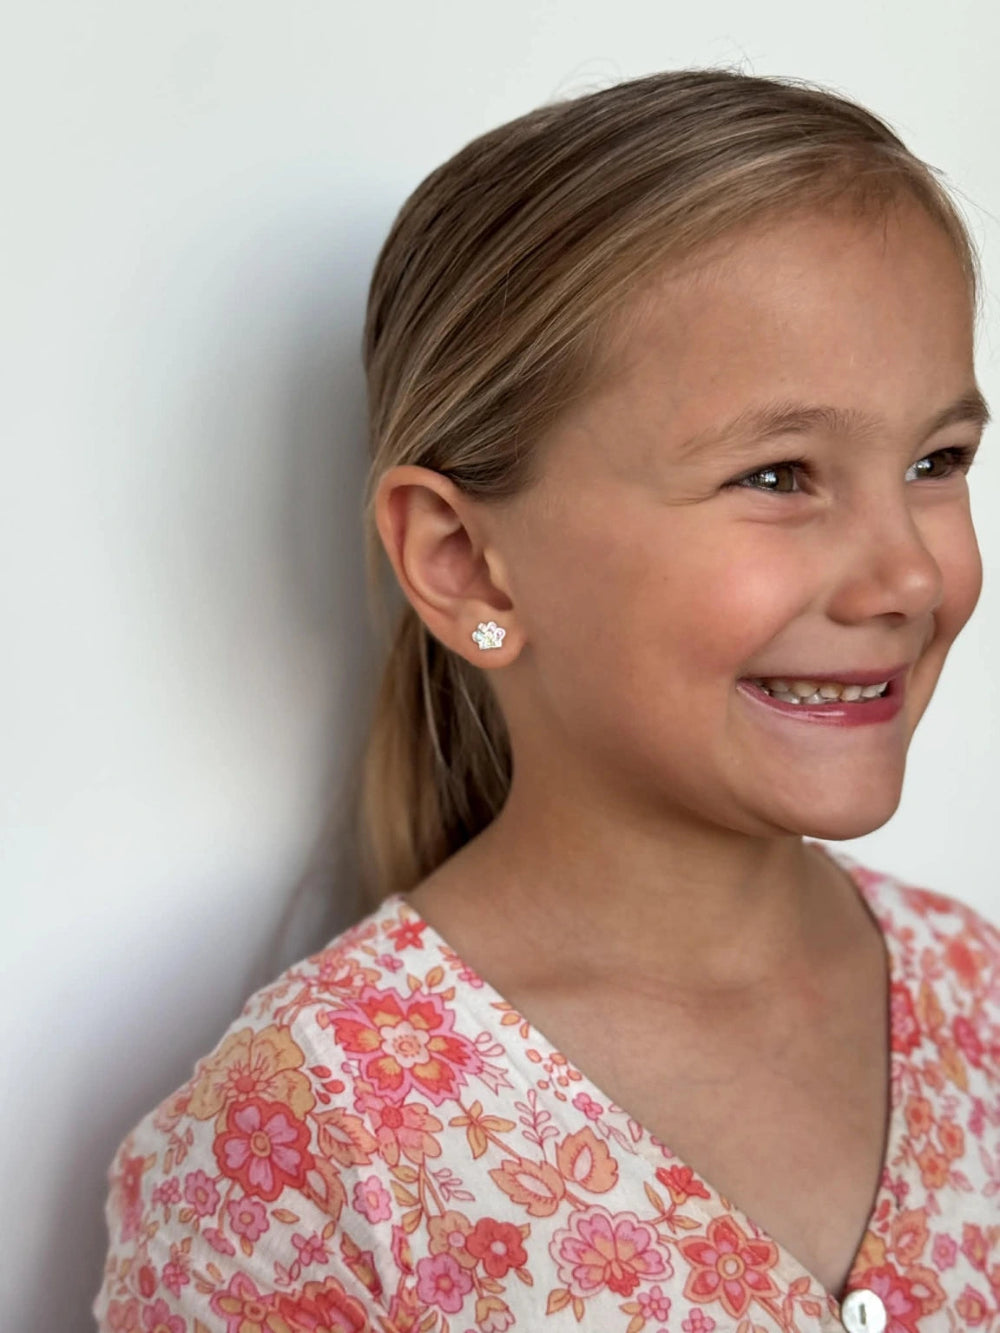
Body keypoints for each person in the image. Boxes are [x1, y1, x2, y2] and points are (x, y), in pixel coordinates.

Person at [93, 69, 1000, 1333]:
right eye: (778, 473)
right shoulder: (312, 1144)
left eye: (934, 462)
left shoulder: (982, 994)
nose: (908, 572)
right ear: (461, 558)